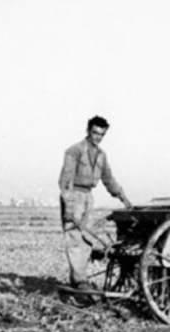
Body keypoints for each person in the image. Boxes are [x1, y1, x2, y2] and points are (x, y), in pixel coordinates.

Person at [58, 115, 133, 289]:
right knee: (74, 237)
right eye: (95, 133)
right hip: (74, 195)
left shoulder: (101, 155)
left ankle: (78, 279)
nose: (97, 137)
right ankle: (80, 281)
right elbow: (65, 180)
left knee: (85, 238)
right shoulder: (74, 151)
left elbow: (108, 179)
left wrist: (123, 198)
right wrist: (68, 205)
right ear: (88, 131)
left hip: (88, 197)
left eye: (101, 134)